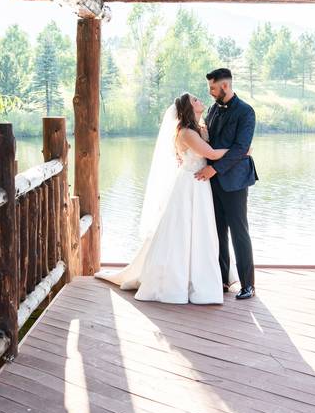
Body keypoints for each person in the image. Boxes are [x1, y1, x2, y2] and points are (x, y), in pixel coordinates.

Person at [95, 92, 234, 304]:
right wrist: (241, 151)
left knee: (199, 232)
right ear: (189, 109)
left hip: (199, 184)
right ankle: (177, 281)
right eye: (195, 100)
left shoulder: (199, 128)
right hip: (190, 184)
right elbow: (212, 154)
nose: (199, 101)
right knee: (183, 232)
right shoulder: (187, 133)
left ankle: (198, 275)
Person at [195, 68, 258, 300]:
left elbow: (241, 149)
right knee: (218, 231)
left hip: (234, 181)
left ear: (225, 86)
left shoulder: (246, 112)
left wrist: (214, 168)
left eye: (213, 88)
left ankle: (248, 285)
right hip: (211, 182)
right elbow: (209, 142)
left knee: (239, 231)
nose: (210, 92)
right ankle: (221, 280)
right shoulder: (212, 109)